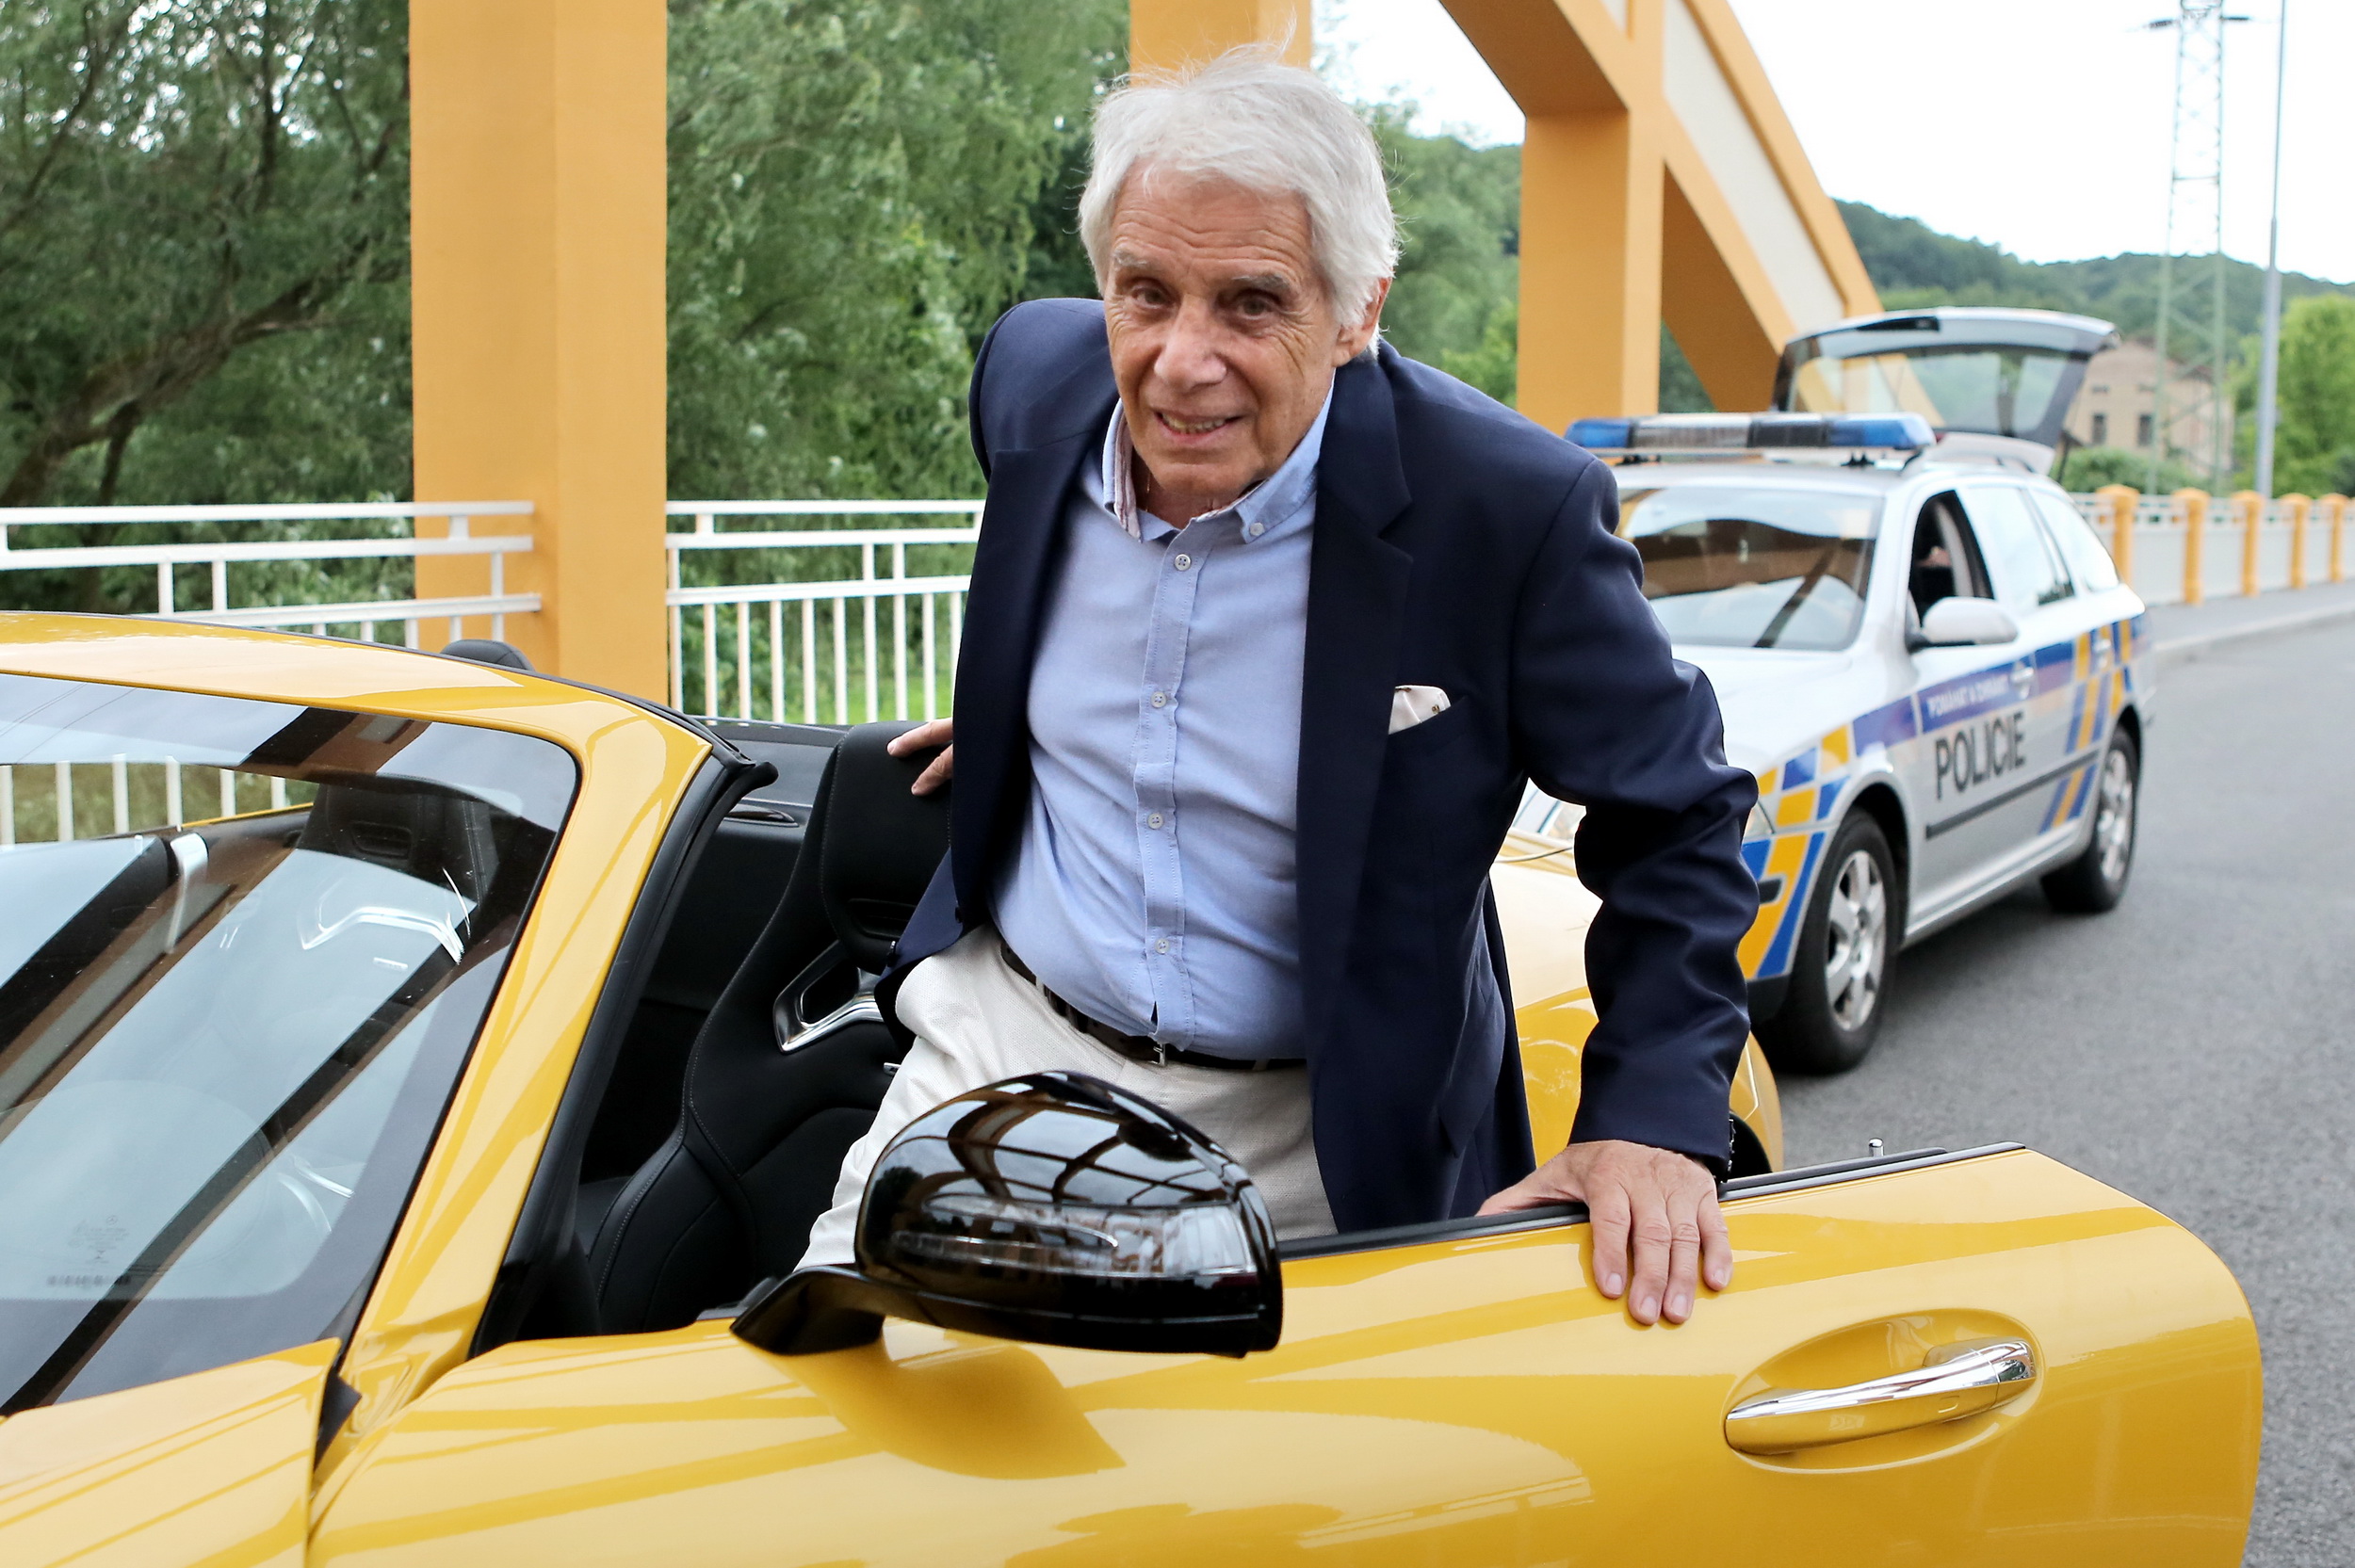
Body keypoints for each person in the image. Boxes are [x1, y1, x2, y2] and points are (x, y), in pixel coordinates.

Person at [800, 51, 1760, 1328]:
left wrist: (1650, 1116)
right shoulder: (1032, 376)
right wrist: (1028, 715)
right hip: (997, 1045)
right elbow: (1047, 588)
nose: (1180, 361)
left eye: (1251, 304)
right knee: (834, 1397)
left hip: (1314, 1134)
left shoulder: (1503, 510)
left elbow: (1681, 814)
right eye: (1146, 292)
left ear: (1358, 313)